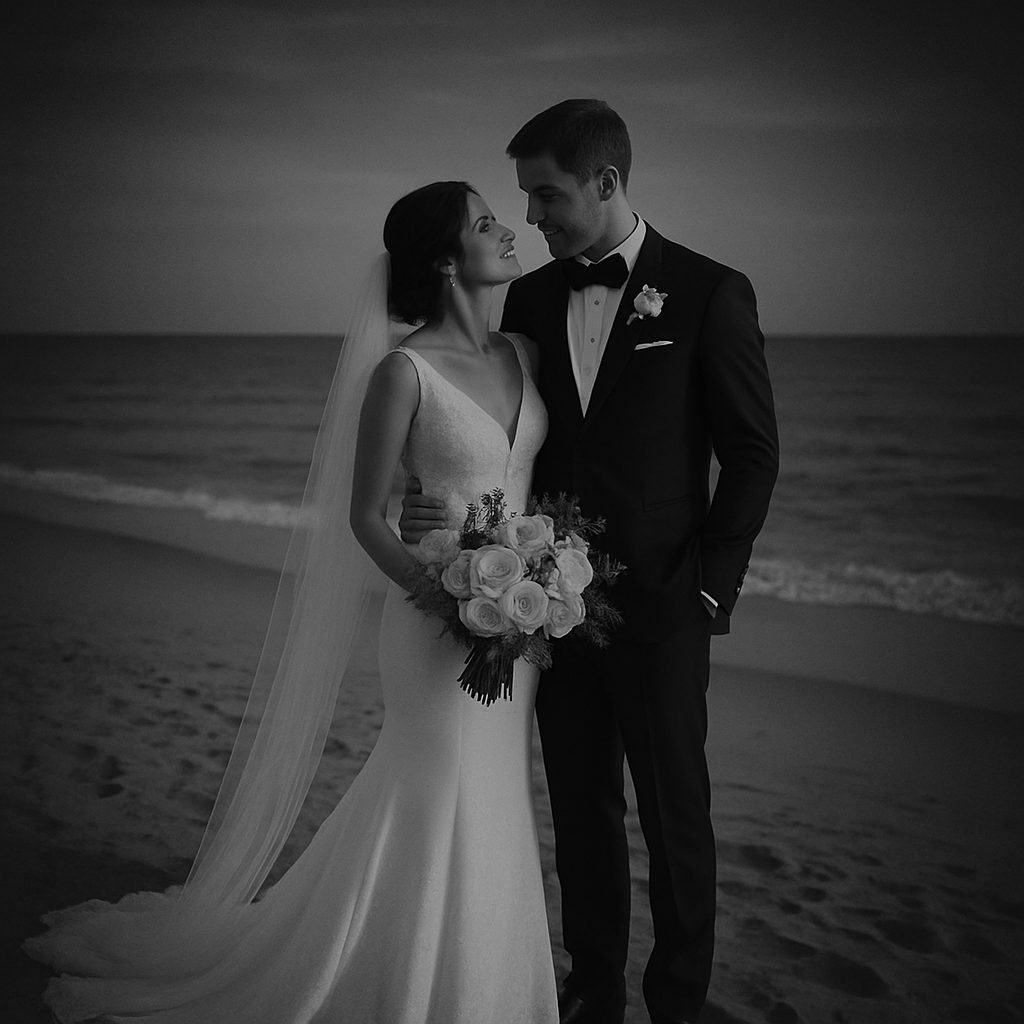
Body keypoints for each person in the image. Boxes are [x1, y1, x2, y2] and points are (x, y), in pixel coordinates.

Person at [23, 181, 558, 1024]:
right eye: (486, 221)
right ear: (447, 262)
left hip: (517, 619)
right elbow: (363, 516)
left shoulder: (522, 353)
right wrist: (444, 595)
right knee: (432, 783)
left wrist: (537, 576)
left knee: (494, 793)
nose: (507, 229)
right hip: (434, 622)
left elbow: (519, 480)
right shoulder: (402, 371)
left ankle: (478, 987)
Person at [400, 100, 780, 1024]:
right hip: (544, 608)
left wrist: (708, 588)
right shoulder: (527, 301)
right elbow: (473, 410)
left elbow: (754, 452)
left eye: (547, 194)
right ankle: (594, 992)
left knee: (675, 814)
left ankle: (678, 1003)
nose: (533, 216)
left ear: (607, 182)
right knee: (581, 812)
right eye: (526, 196)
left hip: (663, 606)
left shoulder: (706, 292)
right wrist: (430, 500)